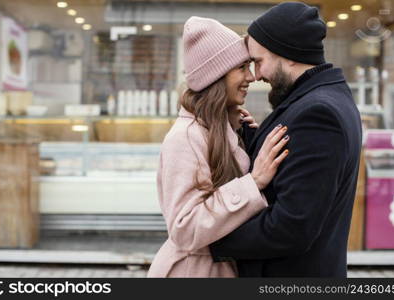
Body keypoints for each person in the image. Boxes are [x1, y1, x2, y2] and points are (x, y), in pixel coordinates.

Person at [209, 2, 363, 278]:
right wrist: (252, 138)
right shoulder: (321, 98)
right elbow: (299, 172)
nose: (256, 75)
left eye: (259, 61)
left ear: (289, 54)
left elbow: (292, 226)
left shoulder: (318, 114)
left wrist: (210, 238)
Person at [147, 16, 289, 277]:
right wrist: (253, 182)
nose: (251, 76)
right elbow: (184, 228)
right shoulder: (186, 138)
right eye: (241, 68)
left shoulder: (224, 129)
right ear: (216, 75)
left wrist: (244, 138)